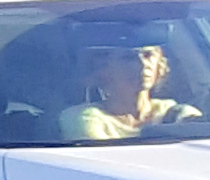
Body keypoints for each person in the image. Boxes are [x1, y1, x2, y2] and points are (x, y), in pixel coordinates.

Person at [59, 35, 192, 142]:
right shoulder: (84, 118)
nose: (143, 64)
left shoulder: (178, 114)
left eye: (148, 55)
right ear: (103, 69)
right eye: (129, 57)